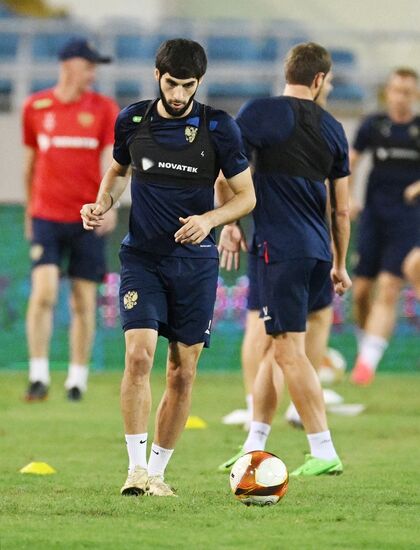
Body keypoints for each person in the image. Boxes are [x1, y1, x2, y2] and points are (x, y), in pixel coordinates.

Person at [80, 38, 255, 497]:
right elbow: (118, 172)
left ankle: (158, 472)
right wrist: (102, 204)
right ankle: (135, 471)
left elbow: (247, 196)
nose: (178, 94)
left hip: (196, 263)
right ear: (157, 76)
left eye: (188, 86)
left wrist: (209, 220)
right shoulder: (132, 120)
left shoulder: (219, 128)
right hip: (142, 257)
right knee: (138, 355)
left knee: (182, 370)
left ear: (199, 83)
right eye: (172, 83)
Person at [217, 43, 352, 476]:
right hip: (316, 253)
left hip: (280, 249)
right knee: (277, 349)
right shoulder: (333, 127)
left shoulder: (259, 111)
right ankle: (253, 443)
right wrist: (340, 263)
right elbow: (342, 209)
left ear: (288, 72)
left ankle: (324, 449)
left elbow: (225, 172)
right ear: (318, 80)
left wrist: (230, 224)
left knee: (289, 352)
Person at [23, 37, 119, 402]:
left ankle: (77, 379)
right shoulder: (35, 107)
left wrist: (108, 207)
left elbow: (114, 165)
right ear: (69, 65)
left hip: (87, 218)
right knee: (44, 292)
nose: (93, 72)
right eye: (89, 64)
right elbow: (32, 166)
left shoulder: (104, 109)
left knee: (83, 300)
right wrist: (32, 210)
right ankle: (38, 374)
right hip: (46, 215)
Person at [350, 68, 420, 385]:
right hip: (374, 215)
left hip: (408, 217)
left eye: (407, 91)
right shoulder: (373, 126)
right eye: (396, 90)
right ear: (387, 92)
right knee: (362, 290)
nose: (401, 96)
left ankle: (366, 365)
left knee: (390, 287)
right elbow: (349, 163)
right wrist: (348, 198)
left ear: (415, 95)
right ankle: (366, 346)